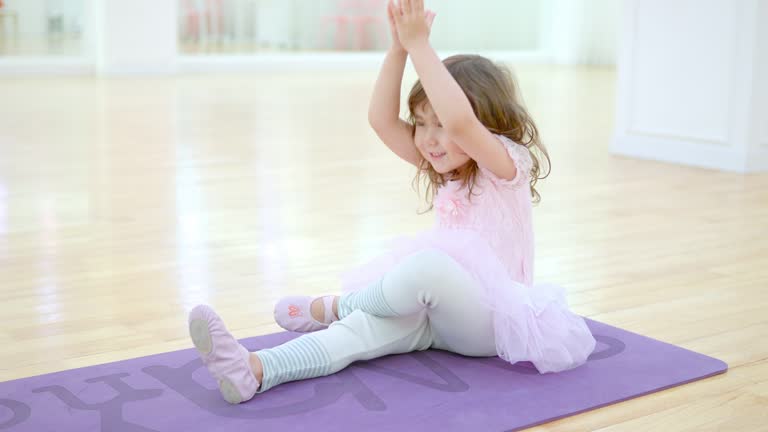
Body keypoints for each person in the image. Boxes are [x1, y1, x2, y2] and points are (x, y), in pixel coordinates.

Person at [188, 0, 596, 404]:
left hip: (491, 324)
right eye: (421, 123)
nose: (429, 139)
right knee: (363, 329)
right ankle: (255, 370)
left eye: (439, 125)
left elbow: (460, 123)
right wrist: (399, 48)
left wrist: (421, 46)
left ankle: (338, 305)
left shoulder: (506, 166)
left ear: (487, 122)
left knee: (427, 266)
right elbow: (382, 120)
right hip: (443, 315)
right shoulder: (447, 165)